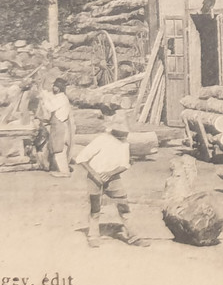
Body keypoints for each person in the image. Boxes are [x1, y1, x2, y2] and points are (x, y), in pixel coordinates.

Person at [75, 114, 147, 247]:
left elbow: (124, 165)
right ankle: (93, 235)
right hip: (94, 178)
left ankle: (133, 235)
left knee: (123, 205)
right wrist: (95, 174)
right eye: (121, 131)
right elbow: (81, 158)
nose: (124, 134)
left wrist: (110, 173)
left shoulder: (125, 144)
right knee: (95, 208)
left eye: (125, 132)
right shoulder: (102, 139)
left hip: (113, 178)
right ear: (113, 130)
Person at [38, 77, 74, 178]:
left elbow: (50, 107)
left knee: (59, 149)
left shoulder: (61, 98)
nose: (53, 88)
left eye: (55, 86)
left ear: (59, 88)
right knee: (56, 148)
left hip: (60, 126)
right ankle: (61, 169)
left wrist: (44, 100)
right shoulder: (58, 97)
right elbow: (50, 96)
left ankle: (65, 172)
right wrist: (42, 92)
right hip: (57, 126)